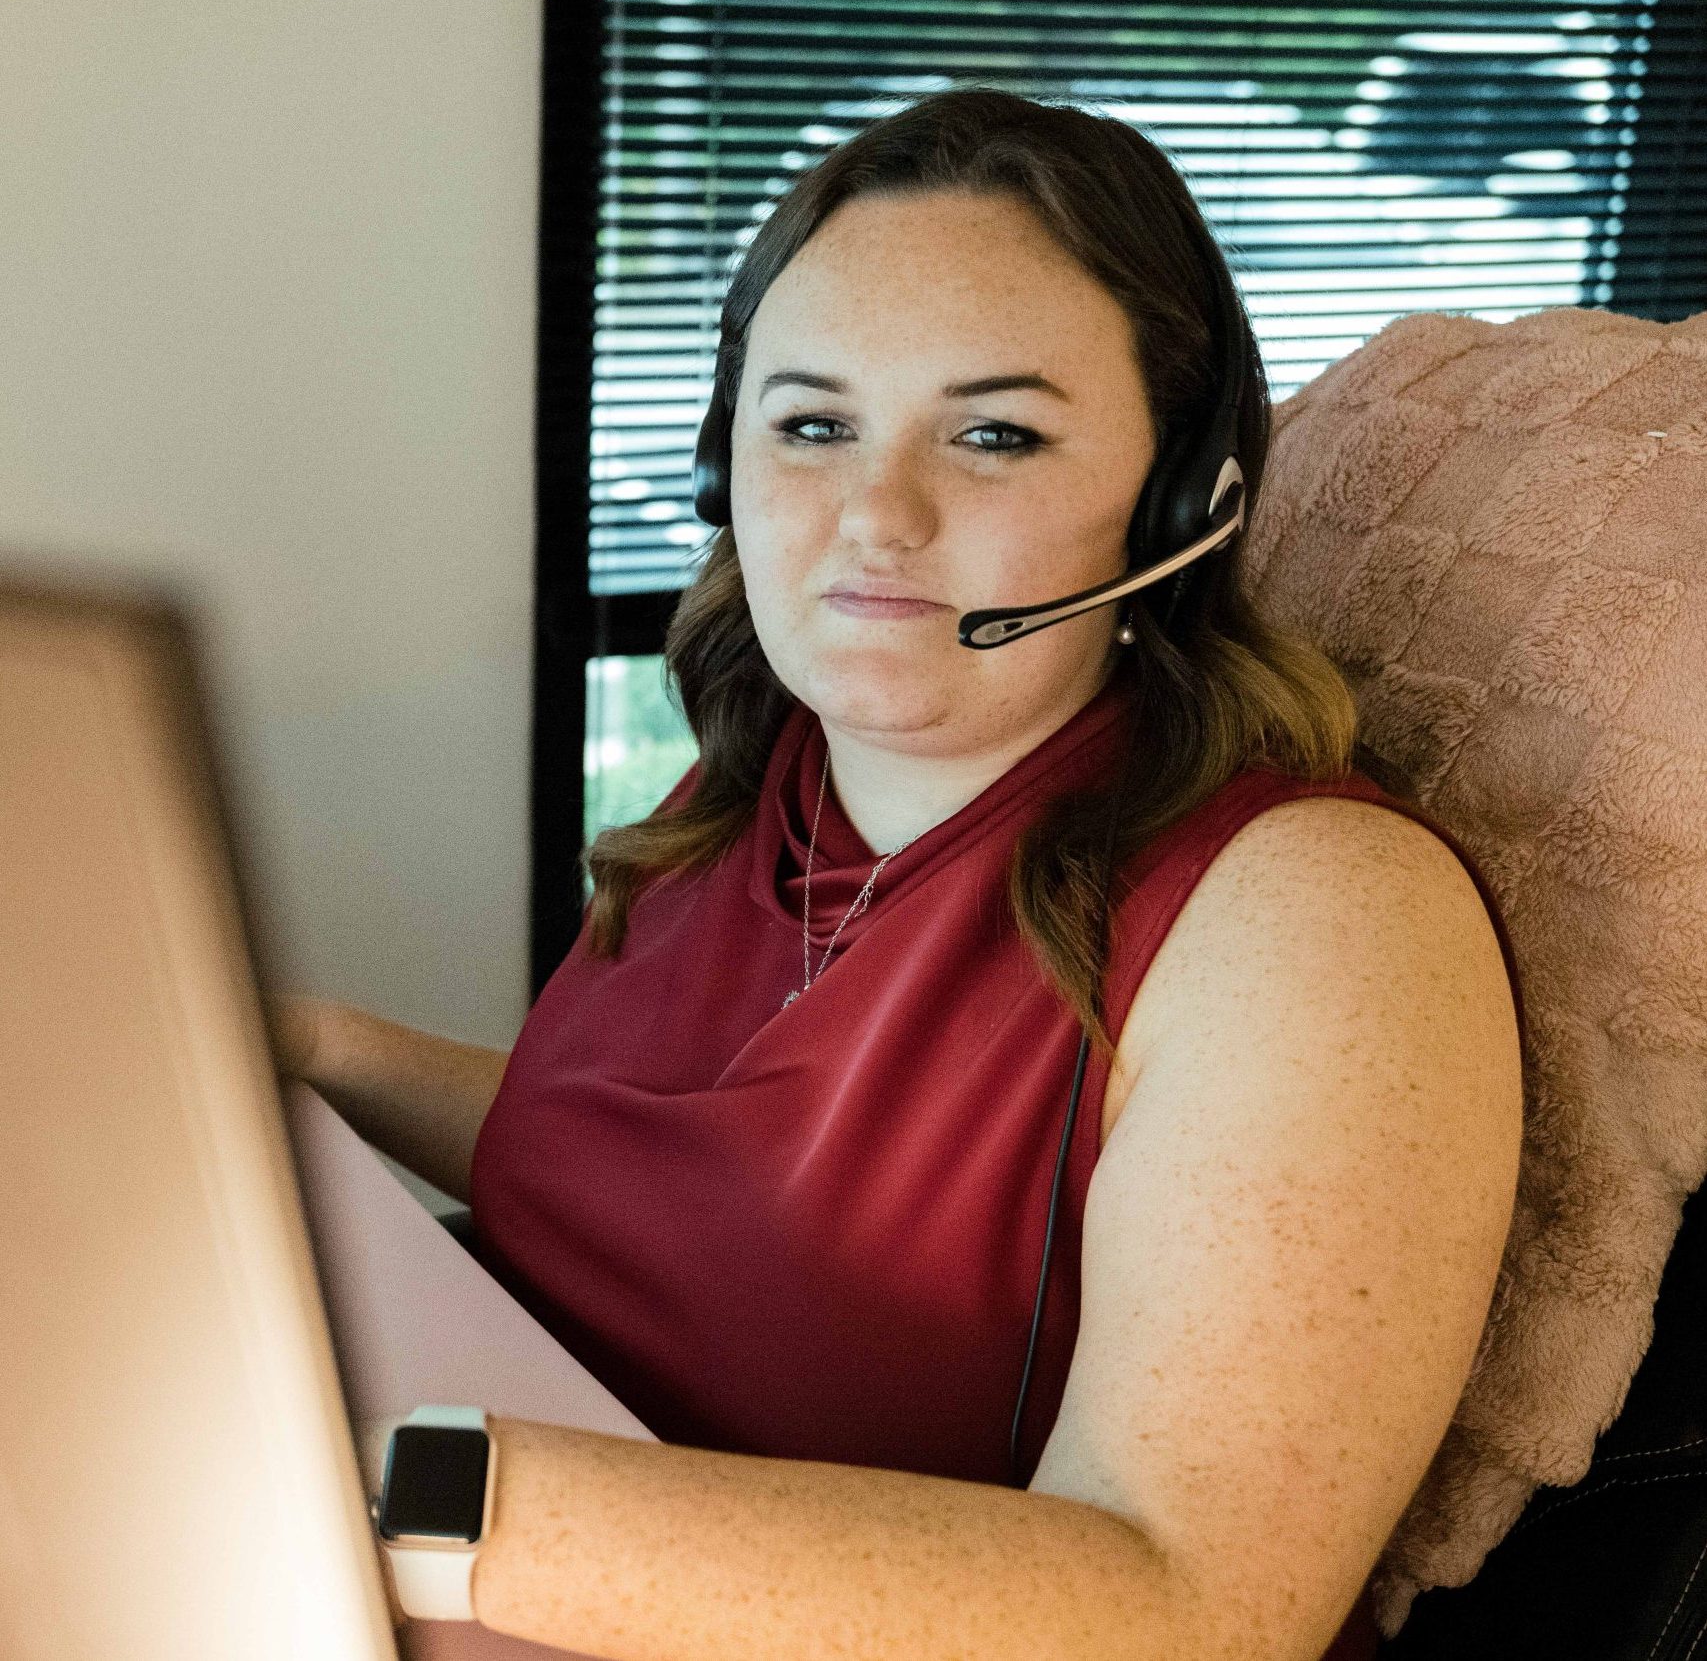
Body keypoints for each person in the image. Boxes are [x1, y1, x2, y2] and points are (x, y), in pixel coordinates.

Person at [273, 85, 1526, 1661]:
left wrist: (400, 1500)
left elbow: (1195, 1608)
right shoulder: (763, 776)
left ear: (1180, 504)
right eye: (813, 424)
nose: (875, 515)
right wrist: (310, 1048)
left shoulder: (1319, 920)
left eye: (992, 433)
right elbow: (703, 1178)